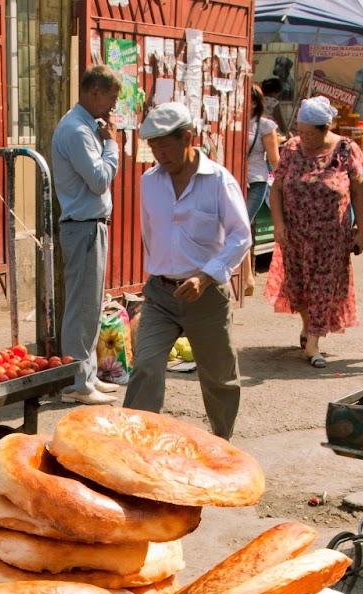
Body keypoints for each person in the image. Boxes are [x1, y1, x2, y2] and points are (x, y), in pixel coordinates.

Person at [125, 102, 251, 440]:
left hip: (206, 294)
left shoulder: (218, 181)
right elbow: (151, 234)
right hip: (161, 294)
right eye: (153, 146)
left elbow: (241, 236)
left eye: (165, 144)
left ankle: (223, 445)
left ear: (188, 139)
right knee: (145, 368)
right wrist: (160, 275)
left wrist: (206, 274)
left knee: (218, 377)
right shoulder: (149, 182)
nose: (159, 153)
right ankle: (135, 444)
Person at [267, 96, 363, 368]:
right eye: (300, 131)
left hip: (330, 236)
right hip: (295, 234)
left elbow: (358, 190)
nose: (304, 138)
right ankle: (308, 325)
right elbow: (276, 188)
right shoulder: (291, 148)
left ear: (325, 128)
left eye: (310, 134)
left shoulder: (345, 149)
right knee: (298, 286)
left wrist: (361, 227)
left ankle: (312, 343)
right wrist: (278, 223)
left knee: (323, 286)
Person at [51, 65, 123, 405]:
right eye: (111, 97)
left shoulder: (84, 125)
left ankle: (87, 376)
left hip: (89, 225)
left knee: (90, 305)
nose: (113, 105)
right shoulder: (77, 130)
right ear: (94, 92)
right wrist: (112, 146)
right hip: (82, 226)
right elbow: (98, 180)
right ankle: (78, 383)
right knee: (81, 307)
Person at [243, 86, 281, 296]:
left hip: (256, 181)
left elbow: (275, 159)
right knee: (238, 226)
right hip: (235, 180)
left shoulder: (265, 126)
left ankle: (247, 276)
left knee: (242, 224)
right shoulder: (234, 122)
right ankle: (246, 277)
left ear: (255, 103)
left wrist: (283, 186)